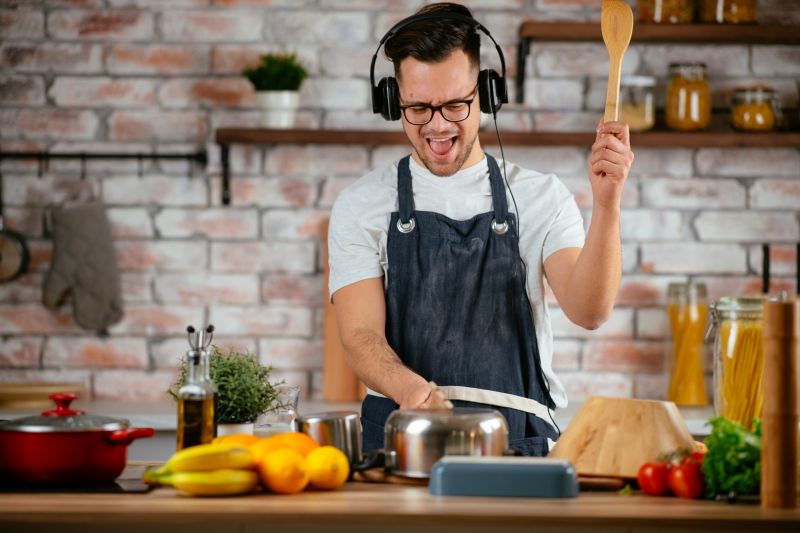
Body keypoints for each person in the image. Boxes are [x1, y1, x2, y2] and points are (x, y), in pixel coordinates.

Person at [328, 2, 634, 456]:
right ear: (393, 102)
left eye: (455, 104)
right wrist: (415, 393)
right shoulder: (361, 205)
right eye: (418, 108)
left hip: (517, 445)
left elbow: (590, 311)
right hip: (401, 440)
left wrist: (607, 205)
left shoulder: (540, 197)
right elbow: (360, 336)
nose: (438, 125)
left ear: (488, 93)